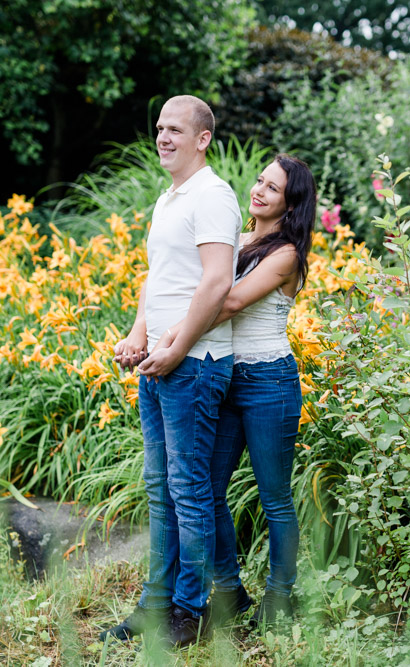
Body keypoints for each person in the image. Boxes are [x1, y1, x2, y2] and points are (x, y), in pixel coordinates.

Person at [139, 154, 316, 628]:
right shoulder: (236, 241)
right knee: (208, 491)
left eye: (272, 188)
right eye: (259, 181)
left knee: (273, 496)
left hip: (269, 382)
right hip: (226, 373)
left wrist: (174, 337)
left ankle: (280, 598)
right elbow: (190, 285)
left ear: (290, 203)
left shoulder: (286, 254)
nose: (258, 190)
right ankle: (232, 591)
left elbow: (229, 299)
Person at [100, 95, 242, 647]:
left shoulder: (213, 196)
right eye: (159, 128)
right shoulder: (169, 198)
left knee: (189, 489)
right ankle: (155, 603)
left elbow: (215, 283)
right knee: (161, 488)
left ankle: (191, 609)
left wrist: (178, 346)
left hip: (196, 364)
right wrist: (138, 336)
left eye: (175, 129)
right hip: (161, 363)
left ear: (202, 138)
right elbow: (157, 277)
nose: (163, 137)